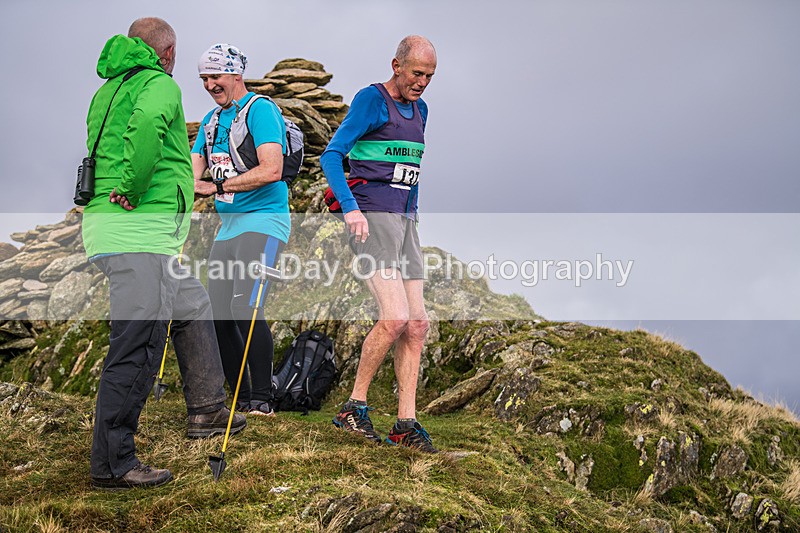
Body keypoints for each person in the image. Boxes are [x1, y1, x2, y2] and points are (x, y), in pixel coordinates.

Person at [81, 18, 246, 490]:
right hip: (140, 234)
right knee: (137, 345)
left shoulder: (108, 90)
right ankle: (113, 463)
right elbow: (150, 127)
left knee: (192, 304)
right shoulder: (158, 84)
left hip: (116, 232)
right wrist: (133, 187)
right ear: (168, 52)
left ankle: (208, 410)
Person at [321, 36, 438, 452]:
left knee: (417, 324)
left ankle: (405, 424)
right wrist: (351, 209)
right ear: (396, 65)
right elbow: (332, 156)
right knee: (393, 319)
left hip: (405, 223)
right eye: (416, 73)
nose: (422, 82)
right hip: (371, 218)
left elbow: (411, 171)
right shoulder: (371, 101)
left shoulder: (421, 110)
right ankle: (353, 408)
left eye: (429, 76)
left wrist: (413, 216)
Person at [192, 44, 290, 417]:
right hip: (228, 228)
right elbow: (192, 173)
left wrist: (218, 187)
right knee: (217, 312)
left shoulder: (260, 110)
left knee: (245, 306)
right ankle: (239, 397)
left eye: (215, 76)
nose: (210, 84)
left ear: (236, 74)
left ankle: (263, 399)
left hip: (265, 221)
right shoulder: (211, 121)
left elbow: (272, 169)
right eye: (204, 78)